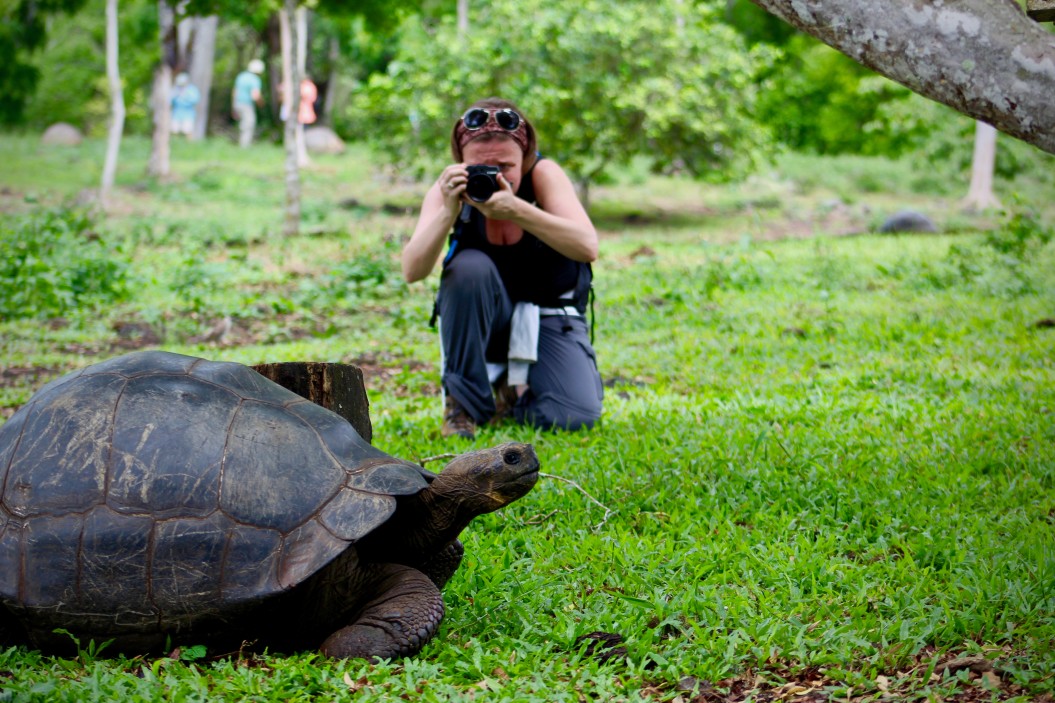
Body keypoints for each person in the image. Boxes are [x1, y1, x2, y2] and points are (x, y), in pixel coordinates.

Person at [403, 97, 603, 439]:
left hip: (552, 315)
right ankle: (465, 407)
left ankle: (511, 398)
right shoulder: (451, 188)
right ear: (461, 162)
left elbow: (587, 246)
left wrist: (517, 210)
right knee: (467, 268)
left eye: (506, 166)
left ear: (525, 158)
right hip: (486, 320)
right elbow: (413, 270)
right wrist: (448, 211)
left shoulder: (544, 174)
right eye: (481, 167)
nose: (496, 176)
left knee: (574, 417)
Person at [232, 59, 265, 148]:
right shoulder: (255, 79)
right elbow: (255, 95)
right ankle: (244, 146)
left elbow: (235, 91)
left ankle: (241, 143)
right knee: (249, 123)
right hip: (247, 104)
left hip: (237, 103)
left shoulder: (241, 76)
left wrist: (233, 106)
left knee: (243, 123)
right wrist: (261, 104)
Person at [170, 73, 200, 137]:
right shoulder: (175, 89)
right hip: (176, 113)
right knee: (174, 130)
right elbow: (170, 100)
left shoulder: (191, 89)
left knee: (187, 130)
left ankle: (190, 146)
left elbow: (195, 100)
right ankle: (176, 144)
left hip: (188, 114)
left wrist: (185, 96)